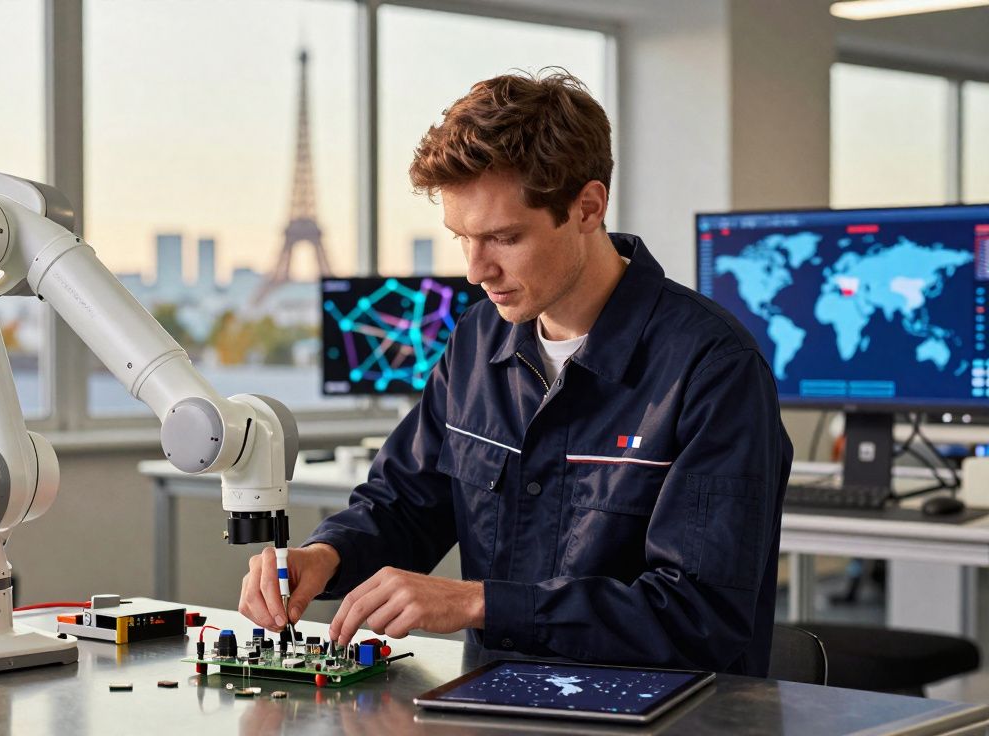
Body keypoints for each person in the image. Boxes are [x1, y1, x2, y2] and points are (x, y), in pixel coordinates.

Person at [238, 70, 792, 676]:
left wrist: (478, 602)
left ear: (588, 206)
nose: (476, 270)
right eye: (462, 238)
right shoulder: (478, 338)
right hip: (496, 701)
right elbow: (405, 503)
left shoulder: (713, 370)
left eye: (504, 238)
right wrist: (325, 555)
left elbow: (700, 617)